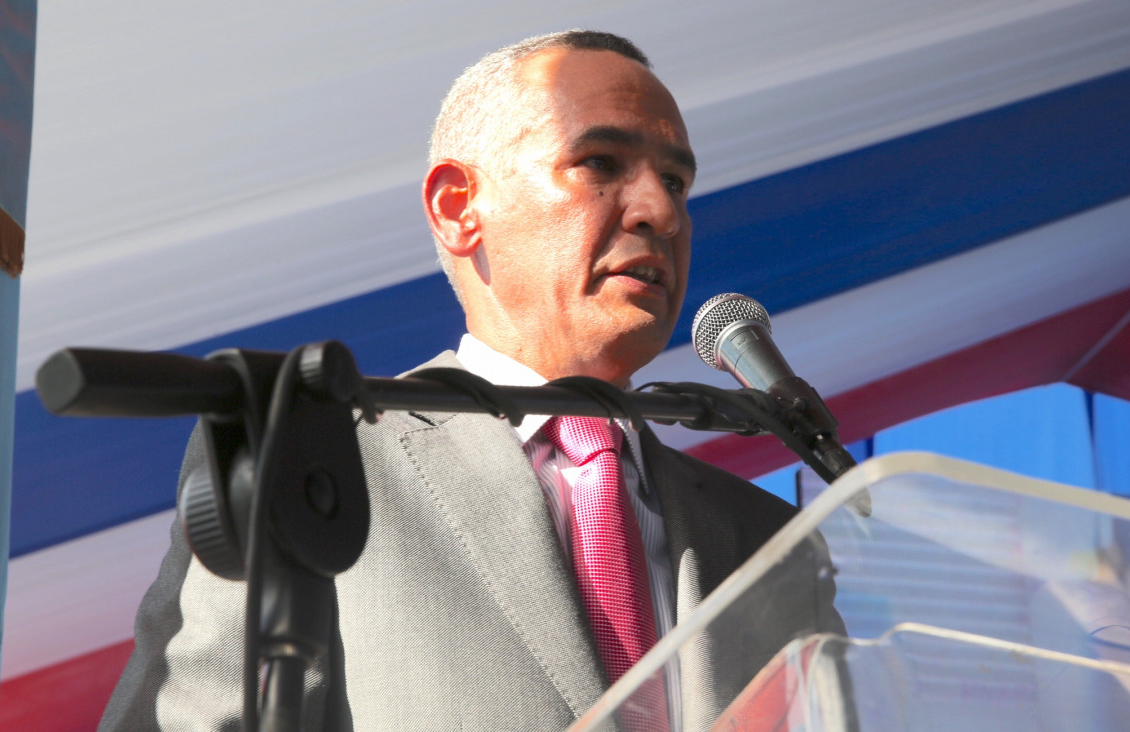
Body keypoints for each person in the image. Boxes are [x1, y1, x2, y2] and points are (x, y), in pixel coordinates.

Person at [99, 30, 843, 731]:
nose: (661, 212)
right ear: (459, 208)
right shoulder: (315, 453)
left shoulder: (773, 544)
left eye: (676, 181)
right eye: (600, 163)